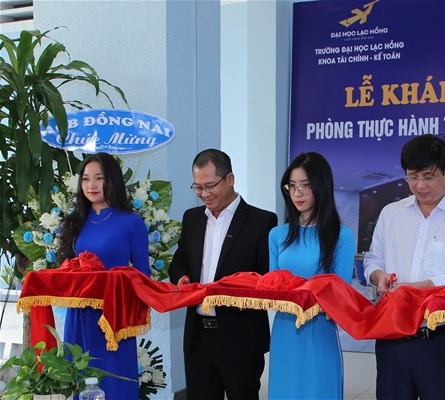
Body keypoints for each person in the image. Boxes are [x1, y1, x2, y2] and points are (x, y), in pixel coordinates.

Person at [363, 134, 445, 399]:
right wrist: (378, 276)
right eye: (413, 177)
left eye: (429, 177)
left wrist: (414, 289)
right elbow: (373, 258)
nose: (420, 185)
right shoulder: (391, 213)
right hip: (392, 337)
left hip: (439, 339)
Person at [168, 149, 277, 400]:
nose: (204, 194)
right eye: (198, 187)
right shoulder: (192, 219)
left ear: (230, 179)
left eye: (210, 186)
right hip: (198, 337)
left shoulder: (261, 221)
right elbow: (179, 261)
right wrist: (181, 278)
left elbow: (265, 277)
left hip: (240, 336)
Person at [57, 152, 150, 399]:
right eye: (86, 179)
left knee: (116, 383)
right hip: (80, 315)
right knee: (80, 378)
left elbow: (143, 274)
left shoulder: (132, 222)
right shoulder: (75, 221)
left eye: (99, 178)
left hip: (114, 318)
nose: (92, 185)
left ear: (112, 180)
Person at [268, 152, 355, 399]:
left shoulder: (341, 236)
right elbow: (272, 285)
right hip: (284, 328)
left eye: (305, 186)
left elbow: (340, 292)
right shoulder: (277, 235)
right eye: (292, 186)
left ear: (321, 187)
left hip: (319, 329)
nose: (298, 193)